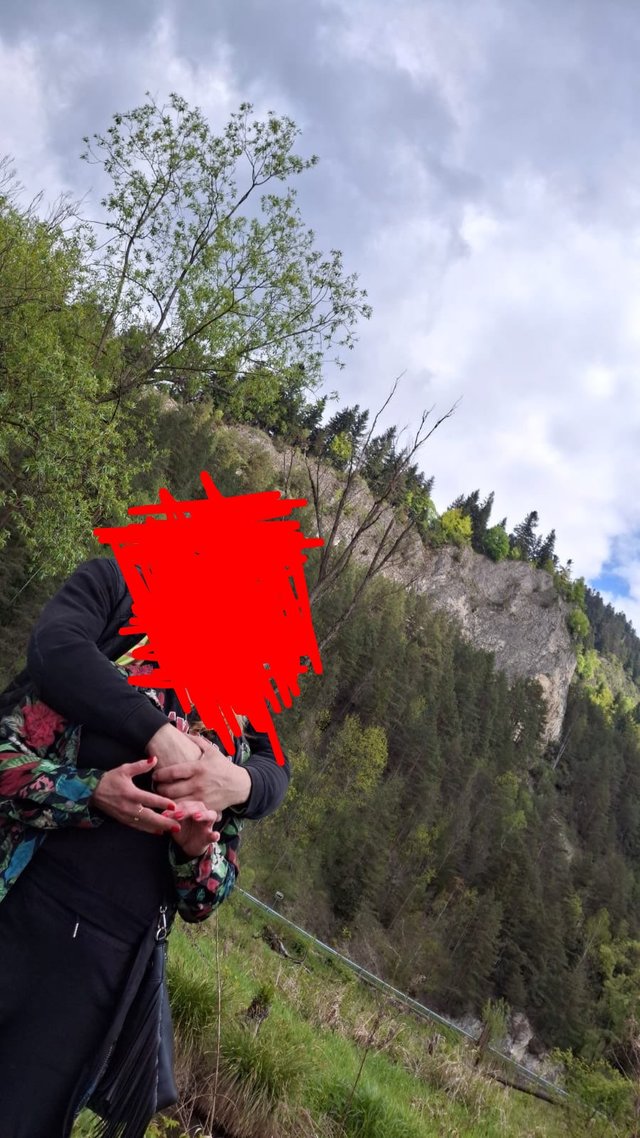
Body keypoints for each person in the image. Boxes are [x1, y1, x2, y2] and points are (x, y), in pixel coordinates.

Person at [0, 556, 290, 1138]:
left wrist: (200, 839)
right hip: (18, 908)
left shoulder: (233, 712)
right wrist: (90, 792)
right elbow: (48, 661)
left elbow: (206, 895)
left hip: (98, 976)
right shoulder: (116, 601)